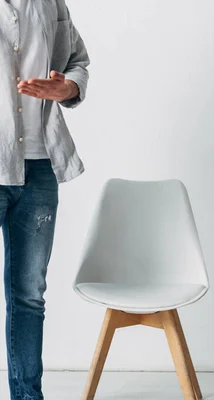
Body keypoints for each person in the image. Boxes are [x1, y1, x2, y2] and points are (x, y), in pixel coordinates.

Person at [0, 1, 90, 398]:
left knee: (29, 294)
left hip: (39, 168)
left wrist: (67, 87)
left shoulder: (50, 2)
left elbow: (78, 62)